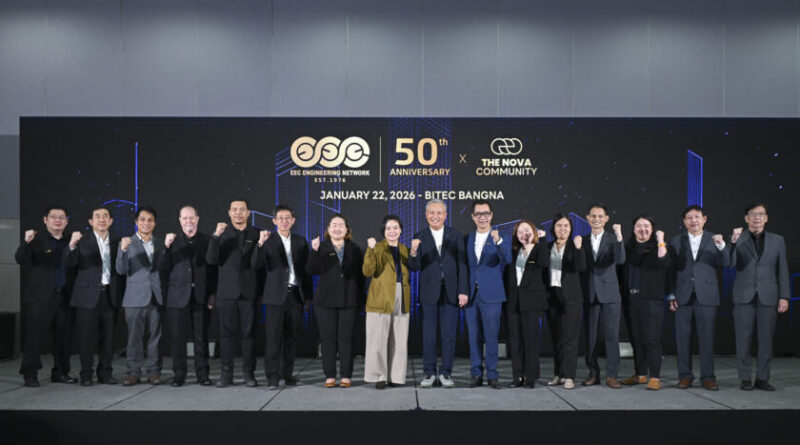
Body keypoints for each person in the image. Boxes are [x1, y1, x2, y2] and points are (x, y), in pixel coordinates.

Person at [729, 204, 790, 391]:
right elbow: (730, 263)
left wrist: (784, 296)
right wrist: (733, 242)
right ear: (746, 218)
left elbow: (783, 269)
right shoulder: (738, 238)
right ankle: (745, 378)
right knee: (743, 339)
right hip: (743, 295)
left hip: (769, 295)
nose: (757, 217)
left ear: (766, 218)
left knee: (766, 340)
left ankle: (763, 378)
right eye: (753, 214)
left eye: (761, 214)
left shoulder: (777, 240)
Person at [408, 199, 468, 388]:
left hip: (451, 291)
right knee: (429, 335)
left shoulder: (455, 234)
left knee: (449, 335)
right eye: (432, 213)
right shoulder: (420, 236)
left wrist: (463, 290)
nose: (435, 216)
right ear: (426, 215)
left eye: (439, 213)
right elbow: (415, 267)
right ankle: (429, 372)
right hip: (429, 291)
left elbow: (462, 265)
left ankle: (446, 373)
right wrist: (413, 251)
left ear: (445, 215)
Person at [669, 205, 729, 391]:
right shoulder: (676, 241)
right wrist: (671, 294)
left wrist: (722, 246)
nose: (693, 220)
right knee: (682, 340)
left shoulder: (714, 239)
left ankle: (708, 377)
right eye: (689, 217)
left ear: (704, 219)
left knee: (707, 339)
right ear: (684, 221)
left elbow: (726, 263)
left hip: (707, 296)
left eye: (697, 217)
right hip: (683, 296)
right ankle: (685, 377)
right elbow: (670, 270)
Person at [252, 204, 312, 390]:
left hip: (295, 296)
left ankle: (287, 374)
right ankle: (272, 376)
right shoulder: (267, 241)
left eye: (288, 218)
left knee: (291, 338)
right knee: (273, 339)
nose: (284, 221)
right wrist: (260, 244)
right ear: (274, 221)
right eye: (280, 218)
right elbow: (256, 264)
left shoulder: (301, 241)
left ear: (293, 221)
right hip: (275, 297)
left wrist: (307, 297)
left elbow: (306, 272)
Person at [15, 206, 75, 387]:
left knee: (63, 338)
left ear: (66, 221)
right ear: (45, 220)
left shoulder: (71, 240)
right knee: (34, 338)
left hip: (64, 296)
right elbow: (20, 259)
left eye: (62, 217)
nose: (58, 220)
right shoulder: (35, 239)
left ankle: (61, 372)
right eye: (54, 217)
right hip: (39, 298)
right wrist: (26, 243)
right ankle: (30, 373)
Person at [64, 206, 123, 386]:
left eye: (105, 216)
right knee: (86, 338)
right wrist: (71, 245)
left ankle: (105, 373)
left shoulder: (118, 242)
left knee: (109, 339)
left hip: (109, 296)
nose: (101, 219)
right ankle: (86, 374)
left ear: (111, 221)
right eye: (97, 216)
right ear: (91, 221)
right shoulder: (81, 241)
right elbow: (68, 263)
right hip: (86, 296)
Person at [206, 200, 260, 388]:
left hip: (249, 292)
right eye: (234, 210)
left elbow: (260, 265)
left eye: (242, 210)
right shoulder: (221, 234)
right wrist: (215, 236)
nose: (238, 213)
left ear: (248, 212)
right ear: (229, 213)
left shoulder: (256, 234)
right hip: (226, 292)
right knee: (226, 335)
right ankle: (226, 373)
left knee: (249, 335)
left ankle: (248, 374)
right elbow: (211, 260)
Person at [160, 204, 216, 387]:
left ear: (197, 219)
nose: (188, 221)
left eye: (191, 217)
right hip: (177, 297)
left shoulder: (207, 241)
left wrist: (212, 295)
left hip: (201, 296)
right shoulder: (172, 242)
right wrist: (166, 247)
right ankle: (179, 375)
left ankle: (203, 374)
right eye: (185, 218)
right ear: (180, 220)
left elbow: (213, 271)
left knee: (201, 338)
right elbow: (162, 269)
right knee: (177, 339)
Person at [306, 214, 363, 388]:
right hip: (325, 301)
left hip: (349, 299)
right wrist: (314, 251)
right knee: (328, 339)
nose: (337, 228)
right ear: (328, 229)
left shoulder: (354, 248)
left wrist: (360, 298)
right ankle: (330, 376)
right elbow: (310, 269)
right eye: (334, 225)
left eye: (341, 225)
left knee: (346, 339)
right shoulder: (321, 247)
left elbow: (360, 277)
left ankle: (346, 376)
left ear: (346, 229)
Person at [620, 215, 671, 391]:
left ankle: (655, 377)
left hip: (651, 299)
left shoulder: (659, 247)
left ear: (652, 228)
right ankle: (640, 374)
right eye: (639, 226)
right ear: (634, 229)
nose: (643, 229)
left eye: (646, 226)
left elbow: (664, 262)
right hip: (631, 299)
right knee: (636, 338)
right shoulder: (627, 248)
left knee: (652, 339)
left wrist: (661, 240)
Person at [464, 200, 511, 389]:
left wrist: (498, 241)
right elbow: (464, 267)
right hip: (471, 295)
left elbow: (507, 259)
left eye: (485, 213)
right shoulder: (467, 238)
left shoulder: (501, 238)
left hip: (492, 295)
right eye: (478, 214)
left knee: (491, 336)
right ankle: (476, 374)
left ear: (491, 215)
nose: (482, 217)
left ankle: (492, 374)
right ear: (473, 217)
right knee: (473, 336)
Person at [116, 206, 164, 386]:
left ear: (155, 223)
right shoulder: (127, 242)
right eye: (142, 220)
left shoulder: (160, 243)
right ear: (136, 222)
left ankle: (154, 372)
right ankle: (133, 373)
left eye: (150, 220)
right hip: (134, 298)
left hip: (156, 296)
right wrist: (122, 250)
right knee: (134, 338)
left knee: (155, 338)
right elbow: (121, 270)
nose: (146, 223)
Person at [362, 215, 410, 389]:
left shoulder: (404, 249)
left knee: (399, 340)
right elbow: (368, 271)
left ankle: (396, 376)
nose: (392, 231)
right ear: (383, 231)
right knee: (378, 340)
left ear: (401, 230)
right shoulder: (377, 247)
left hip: (401, 296)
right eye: (388, 228)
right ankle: (379, 376)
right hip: (381, 297)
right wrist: (370, 250)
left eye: (395, 227)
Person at [581, 204, 625, 388]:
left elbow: (620, 260)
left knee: (611, 336)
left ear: (606, 219)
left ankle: (612, 375)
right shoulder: (582, 240)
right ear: (588, 218)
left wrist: (620, 237)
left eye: (600, 216)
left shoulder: (613, 239)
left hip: (610, 295)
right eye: (593, 216)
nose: (596, 219)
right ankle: (593, 373)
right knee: (590, 338)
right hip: (590, 294)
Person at [505, 220, 549, 389]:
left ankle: (531, 376)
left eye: (527, 230)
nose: (524, 234)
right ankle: (518, 376)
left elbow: (544, 263)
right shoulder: (514, 252)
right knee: (515, 341)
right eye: (520, 232)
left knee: (531, 341)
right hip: (514, 302)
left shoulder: (539, 249)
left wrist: (541, 240)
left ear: (534, 232)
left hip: (532, 302)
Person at [544, 213, 585, 390]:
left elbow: (581, 267)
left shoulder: (575, 245)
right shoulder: (548, 247)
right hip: (552, 297)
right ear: (553, 228)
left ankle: (569, 376)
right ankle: (558, 374)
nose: (563, 229)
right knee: (557, 339)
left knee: (570, 338)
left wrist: (578, 249)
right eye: (559, 225)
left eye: (566, 226)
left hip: (571, 298)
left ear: (571, 228)